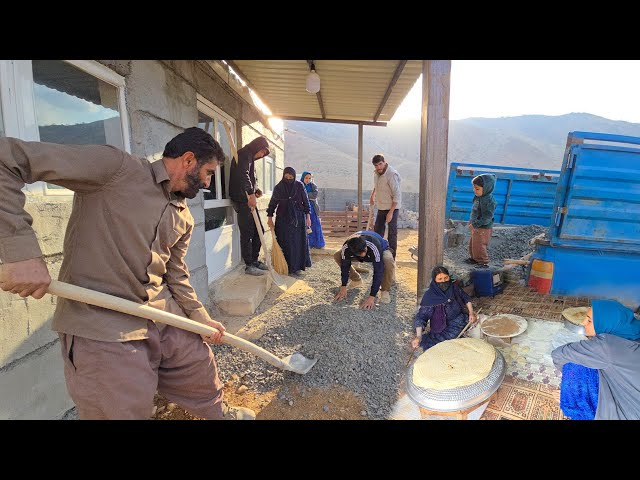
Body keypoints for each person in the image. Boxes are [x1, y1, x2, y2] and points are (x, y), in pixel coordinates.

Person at [0, 127, 254, 420]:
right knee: (121, 405)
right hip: (104, 323)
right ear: (188, 160)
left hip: (160, 315)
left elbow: (176, 273)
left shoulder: (182, 213)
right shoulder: (116, 169)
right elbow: (7, 160)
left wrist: (198, 317)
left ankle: (218, 412)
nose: (209, 183)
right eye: (209, 172)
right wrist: (20, 252)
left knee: (198, 364)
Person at [551, 299, 640, 420]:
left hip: (628, 414)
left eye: (589, 320)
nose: (583, 322)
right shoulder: (632, 334)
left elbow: (559, 355)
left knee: (575, 366)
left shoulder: (606, 346)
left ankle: (577, 408)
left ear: (605, 323)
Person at [229, 136, 271, 276]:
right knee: (247, 233)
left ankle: (254, 260)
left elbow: (250, 178)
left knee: (259, 231)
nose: (261, 155)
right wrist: (250, 194)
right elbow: (243, 174)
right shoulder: (244, 154)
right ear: (257, 147)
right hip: (242, 200)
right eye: (262, 152)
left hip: (247, 197)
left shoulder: (250, 157)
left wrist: (255, 190)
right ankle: (248, 265)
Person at [410, 266, 477, 351]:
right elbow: (421, 317)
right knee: (443, 347)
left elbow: (466, 298)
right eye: (440, 279)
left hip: (460, 319)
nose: (443, 281)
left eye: (446, 278)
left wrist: (471, 313)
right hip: (443, 327)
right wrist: (418, 336)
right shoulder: (430, 296)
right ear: (435, 280)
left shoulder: (453, 287)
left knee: (478, 326)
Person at [332, 230, 396, 309]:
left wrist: (372, 296)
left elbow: (378, 271)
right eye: (361, 253)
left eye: (364, 251)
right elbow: (345, 267)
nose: (363, 254)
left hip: (381, 249)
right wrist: (343, 286)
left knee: (388, 260)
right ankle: (356, 279)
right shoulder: (347, 248)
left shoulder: (373, 245)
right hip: (358, 253)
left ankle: (385, 290)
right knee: (337, 255)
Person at [266, 167, 312, 276]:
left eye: (291, 177)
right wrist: (269, 217)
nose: (288, 179)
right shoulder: (279, 187)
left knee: (297, 243)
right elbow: (273, 203)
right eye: (286, 177)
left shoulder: (299, 186)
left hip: (298, 218)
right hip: (283, 219)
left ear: (294, 176)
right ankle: (285, 266)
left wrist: (308, 217)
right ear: (283, 176)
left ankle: (297, 267)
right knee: (285, 242)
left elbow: (306, 202)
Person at [369, 154, 401, 259]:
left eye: (380, 164)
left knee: (392, 233)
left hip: (392, 207)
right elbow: (377, 185)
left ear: (384, 162)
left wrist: (391, 212)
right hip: (381, 206)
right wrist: (372, 195)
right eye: (376, 165)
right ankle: (377, 254)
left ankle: (392, 257)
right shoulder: (377, 173)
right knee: (378, 231)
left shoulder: (391, 174)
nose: (379, 167)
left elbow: (397, 194)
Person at [464, 174, 497, 268]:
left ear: (487, 188)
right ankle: (474, 259)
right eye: (474, 188)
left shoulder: (489, 201)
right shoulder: (479, 197)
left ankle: (483, 262)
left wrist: (475, 224)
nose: (474, 190)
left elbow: (487, 218)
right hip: (476, 226)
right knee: (474, 244)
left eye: (477, 189)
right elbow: (475, 211)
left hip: (483, 228)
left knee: (480, 245)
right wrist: (472, 221)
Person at [300, 171, 325, 249]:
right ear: (303, 178)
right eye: (306, 178)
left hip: (312, 209)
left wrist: (304, 195)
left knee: (314, 225)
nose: (308, 180)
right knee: (304, 226)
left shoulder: (313, 186)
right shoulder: (299, 185)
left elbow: (314, 195)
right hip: (302, 208)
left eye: (309, 178)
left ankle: (317, 243)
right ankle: (306, 244)